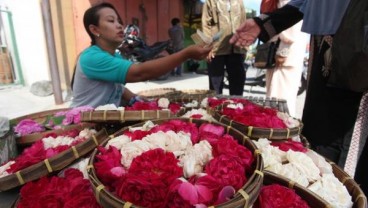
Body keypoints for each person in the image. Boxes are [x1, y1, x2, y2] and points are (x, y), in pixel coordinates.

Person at [229, 0, 363, 169]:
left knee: (338, 151)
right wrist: (262, 23)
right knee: (315, 141)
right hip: (324, 41)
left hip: (355, 46)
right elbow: (304, 3)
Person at [70, 3, 211, 108]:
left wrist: (140, 101)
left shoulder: (115, 57)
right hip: (84, 126)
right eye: (111, 21)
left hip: (104, 122)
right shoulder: (91, 58)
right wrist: (186, 54)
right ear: (94, 30)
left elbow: (118, 88)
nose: (119, 25)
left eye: (119, 21)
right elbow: (140, 73)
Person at [263, 0, 308, 117]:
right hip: (285, 49)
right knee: (280, 97)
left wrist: (283, 50)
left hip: (285, 51)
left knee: (280, 97)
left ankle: (282, 132)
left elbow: (290, 24)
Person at [201, 0, 247, 95]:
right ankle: (216, 108)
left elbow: (243, 22)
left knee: (238, 82)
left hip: (236, 47)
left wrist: (244, 47)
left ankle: (236, 108)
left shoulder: (239, 2)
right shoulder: (211, 1)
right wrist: (208, 47)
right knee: (215, 85)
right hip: (216, 49)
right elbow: (205, 25)